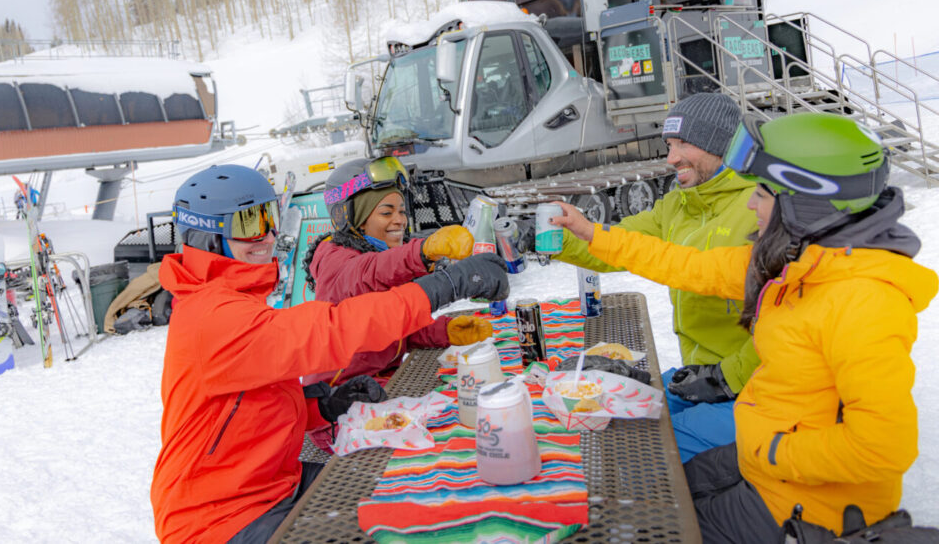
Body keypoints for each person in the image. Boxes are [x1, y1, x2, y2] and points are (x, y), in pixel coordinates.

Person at [553, 112, 937, 540]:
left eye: (762, 193)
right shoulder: (796, 263)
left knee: (645, 528)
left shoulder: (861, 300)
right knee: (643, 495)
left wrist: (771, 449)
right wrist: (591, 232)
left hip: (801, 507)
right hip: (763, 465)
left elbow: (882, 447)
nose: (751, 204)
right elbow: (686, 265)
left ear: (806, 201)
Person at [150, 164, 509, 544]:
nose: (268, 236)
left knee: (391, 494)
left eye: (270, 219)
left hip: (267, 482)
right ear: (207, 236)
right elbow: (335, 328)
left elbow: (247, 406)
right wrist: (443, 285)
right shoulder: (216, 317)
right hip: (220, 518)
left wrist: (323, 407)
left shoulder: (231, 303)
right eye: (249, 223)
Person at [553, 92, 758, 462]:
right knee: (613, 412)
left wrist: (725, 377)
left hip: (755, 390)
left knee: (646, 450)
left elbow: (788, 330)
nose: (671, 157)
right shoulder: (679, 205)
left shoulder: (759, 208)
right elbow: (616, 244)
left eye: (683, 143)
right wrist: (559, 239)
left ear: (719, 144)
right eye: (669, 144)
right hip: (700, 378)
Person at [304, 156, 493, 388]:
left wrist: (445, 332)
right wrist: (422, 252)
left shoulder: (376, 249)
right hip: (337, 396)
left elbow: (392, 326)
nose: (399, 221)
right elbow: (371, 272)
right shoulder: (337, 261)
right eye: (386, 213)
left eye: (402, 211)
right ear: (357, 220)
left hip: (380, 383)